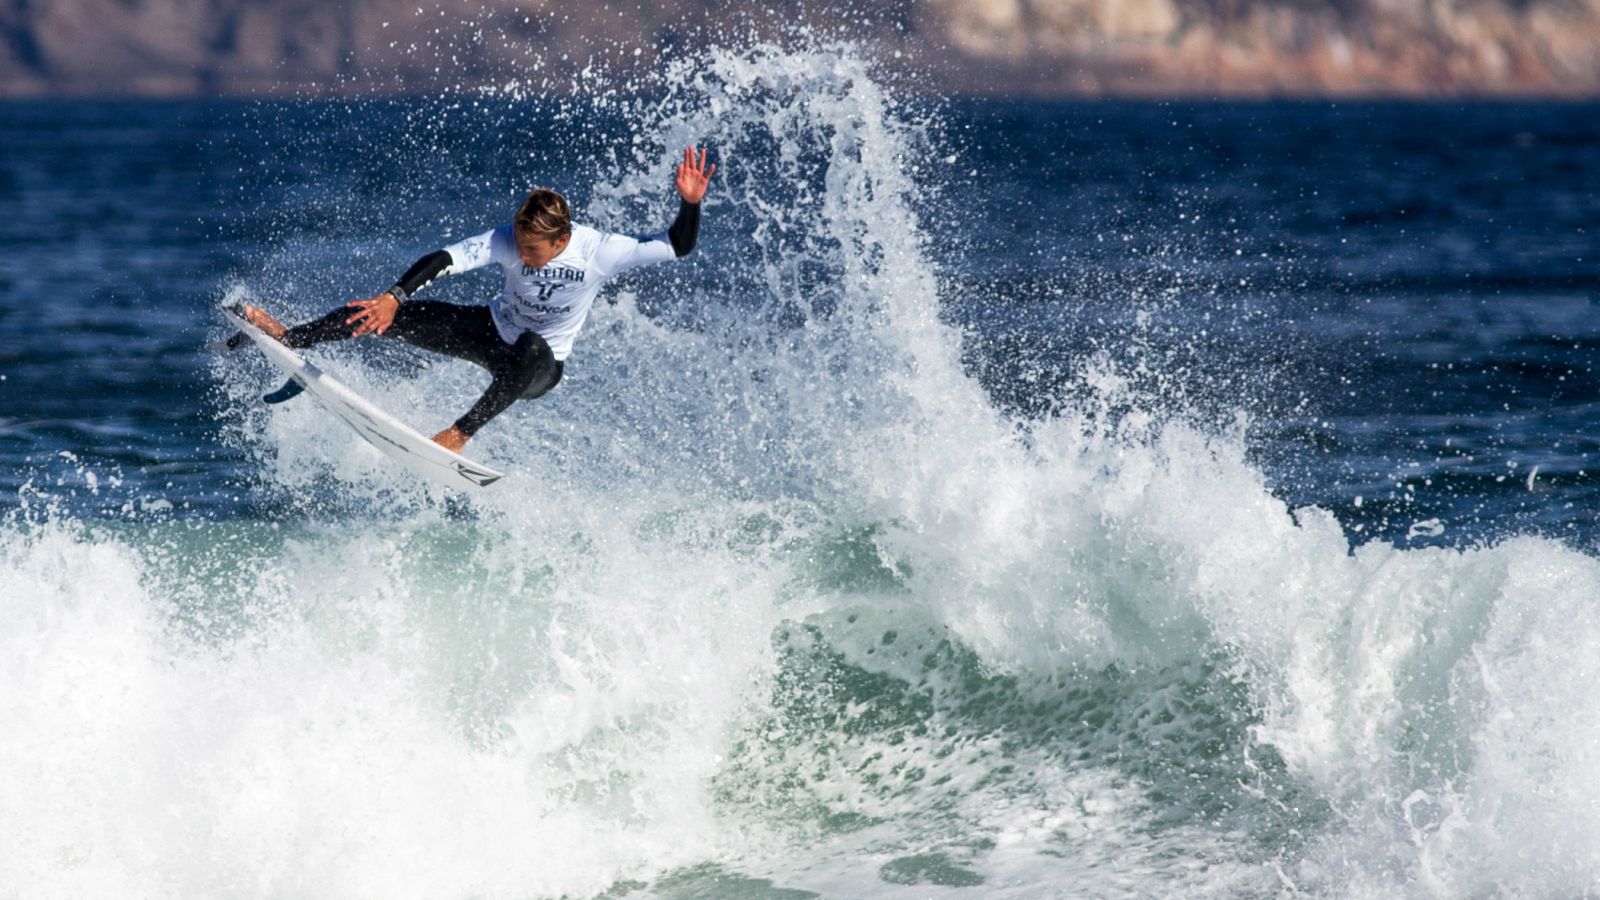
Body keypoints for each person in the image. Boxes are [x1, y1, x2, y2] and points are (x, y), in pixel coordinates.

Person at [240, 147, 716, 453]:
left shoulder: (601, 251)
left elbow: (678, 245)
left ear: (563, 239)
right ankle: (293, 337)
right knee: (383, 312)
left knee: (531, 344)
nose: (523, 257)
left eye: (533, 251)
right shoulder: (507, 239)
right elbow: (443, 258)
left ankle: (459, 434)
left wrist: (690, 204)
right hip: (490, 333)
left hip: (538, 367)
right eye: (519, 247)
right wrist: (392, 297)